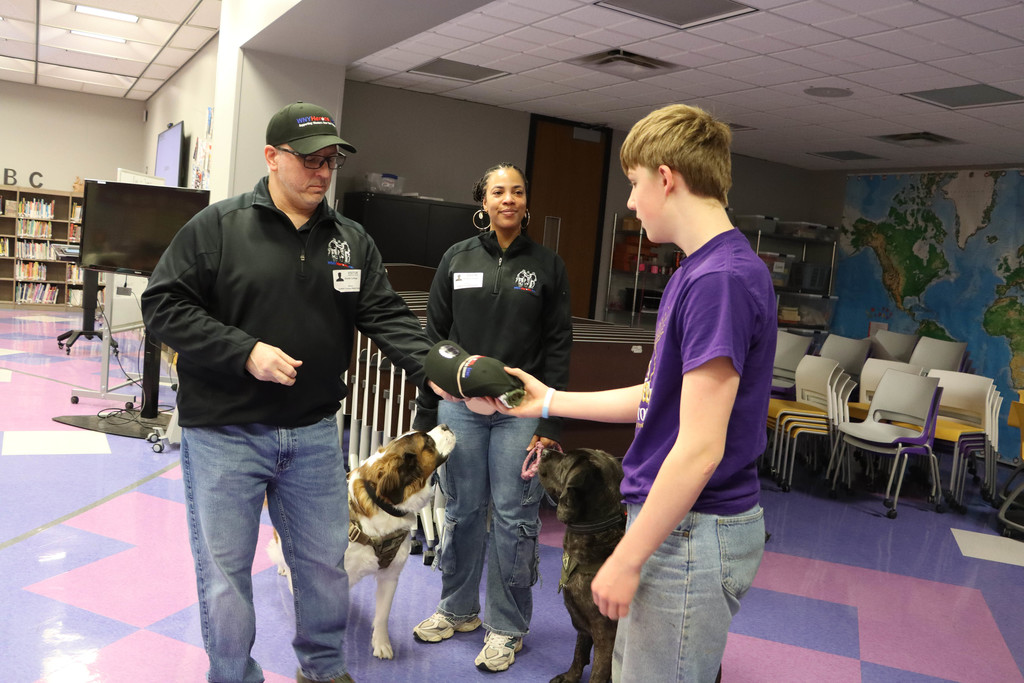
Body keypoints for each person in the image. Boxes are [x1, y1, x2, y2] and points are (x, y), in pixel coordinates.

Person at [141, 101, 437, 683]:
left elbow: (388, 317)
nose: (322, 173)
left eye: (330, 161)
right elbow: (162, 307)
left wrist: (447, 370)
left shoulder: (351, 241)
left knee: (324, 567)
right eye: (308, 160)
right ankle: (232, 674)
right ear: (273, 159)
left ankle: (323, 670)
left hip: (312, 435)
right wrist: (243, 350)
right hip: (225, 435)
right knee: (226, 573)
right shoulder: (219, 227)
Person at [492, 104, 776, 682]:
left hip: (694, 532)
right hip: (679, 524)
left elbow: (699, 449)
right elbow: (656, 398)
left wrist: (625, 557)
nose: (629, 201)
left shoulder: (719, 280)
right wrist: (547, 400)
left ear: (666, 177)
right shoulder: (695, 272)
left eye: (633, 183)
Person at [410, 162, 573, 673]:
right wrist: (425, 413)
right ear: (482, 201)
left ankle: (507, 627)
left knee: (515, 519)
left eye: (518, 191)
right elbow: (433, 341)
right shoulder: (455, 259)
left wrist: (549, 422)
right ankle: (457, 610)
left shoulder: (547, 265)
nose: (509, 199)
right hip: (459, 410)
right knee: (459, 512)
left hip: (520, 414)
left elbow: (559, 346)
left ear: (527, 203)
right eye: (498, 191)